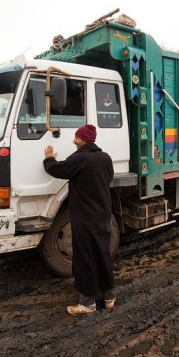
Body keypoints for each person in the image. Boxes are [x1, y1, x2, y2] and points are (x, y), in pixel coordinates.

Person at [43, 124, 116, 316]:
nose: (73, 140)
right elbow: (108, 178)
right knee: (102, 254)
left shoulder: (79, 158)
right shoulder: (105, 158)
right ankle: (109, 297)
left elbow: (57, 170)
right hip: (103, 214)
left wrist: (49, 159)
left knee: (86, 258)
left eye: (76, 137)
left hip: (85, 217)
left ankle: (87, 304)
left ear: (83, 139)